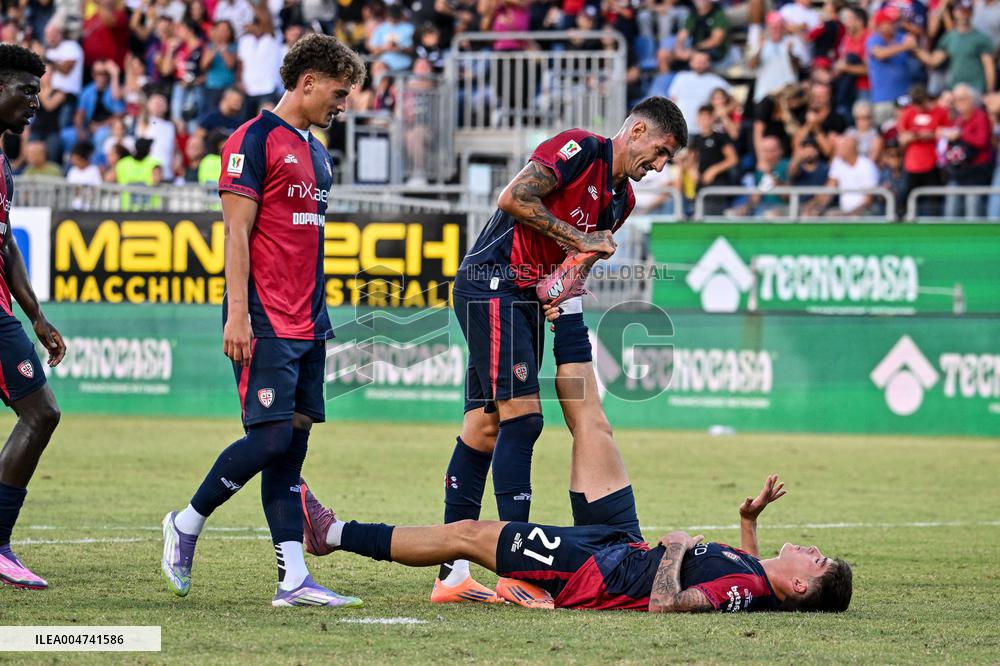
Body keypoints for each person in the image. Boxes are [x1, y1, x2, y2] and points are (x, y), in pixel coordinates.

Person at [401, 97, 687, 609]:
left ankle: (452, 574)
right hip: (492, 282)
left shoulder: (621, 201)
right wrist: (580, 239)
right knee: (524, 420)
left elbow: (575, 263)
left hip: (524, 298)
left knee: (484, 427)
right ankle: (516, 570)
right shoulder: (579, 149)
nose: (661, 166)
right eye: (661, 151)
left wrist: (565, 285)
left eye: (669, 159)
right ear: (638, 131)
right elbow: (513, 198)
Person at [160, 34, 367, 608]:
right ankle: (186, 522)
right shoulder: (251, 140)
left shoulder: (318, 154)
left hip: (311, 320)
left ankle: (293, 579)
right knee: (270, 437)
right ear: (307, 82)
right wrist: (237, 314)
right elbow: (236, 233)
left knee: (291, 447)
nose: (343, 104)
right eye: (338, 93)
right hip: (264, 317)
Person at [299, 439, 853, 613]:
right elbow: (749, 573)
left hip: (600, 572)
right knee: (594, 430)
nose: (813, 549)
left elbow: (666, 605)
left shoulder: (746, 589)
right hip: (619, 550)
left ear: (800, 585)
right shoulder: (758, 583)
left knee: (467, 535)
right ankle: (566, 307)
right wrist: (748, 521)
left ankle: (333, 535)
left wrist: (677, 548)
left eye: (818, 560)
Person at [0, 43, 66, 590]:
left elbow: (5, 246)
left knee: (41, 412)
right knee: (40, 413)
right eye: (25, 90)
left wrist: (38, 317)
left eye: (38, 92)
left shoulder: (2, 164)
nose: (35, 103)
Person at [916, 0, 994, 94]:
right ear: (954, 12)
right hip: (954, 88)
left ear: (972, 13)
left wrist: (989, 92)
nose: (963, 14)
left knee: (958, 94)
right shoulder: (950, 37)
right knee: (944, 97)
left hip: (975, 88)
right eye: (960, 10)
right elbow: (933, 60)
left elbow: (989, 67)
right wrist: (914, 49)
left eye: (967, 10)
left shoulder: (981, 38)